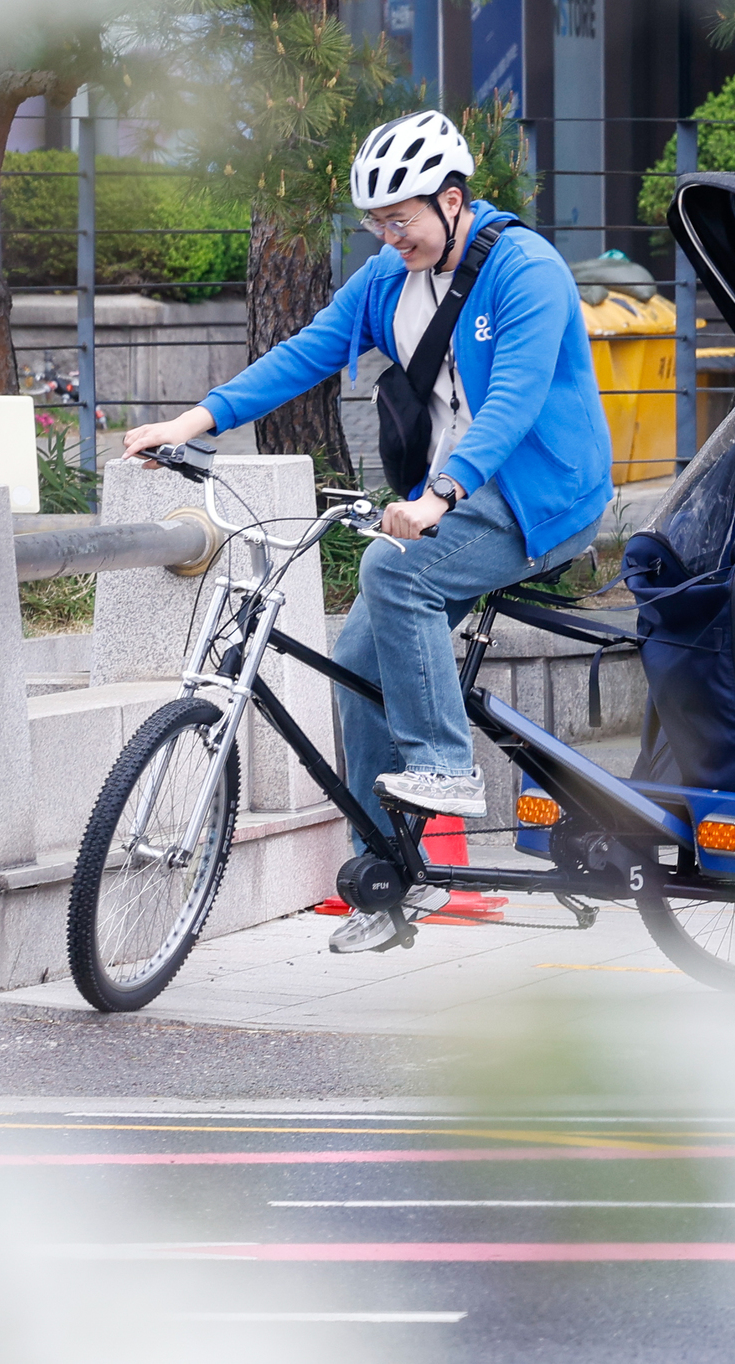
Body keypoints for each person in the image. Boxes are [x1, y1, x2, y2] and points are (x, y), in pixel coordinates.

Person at [124, 110, 614, 953]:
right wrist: (194, 421)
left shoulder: (525, 270)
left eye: (402, 220)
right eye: (377, 224)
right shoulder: (388, 279)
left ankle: (446, 767)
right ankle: (385, 880)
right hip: (454, 499)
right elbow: (305, 351)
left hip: (541, 496)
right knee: (356, 662)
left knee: (395, 573)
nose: (390, 238)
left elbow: (514, 400)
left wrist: (441, 494)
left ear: (452, 200)